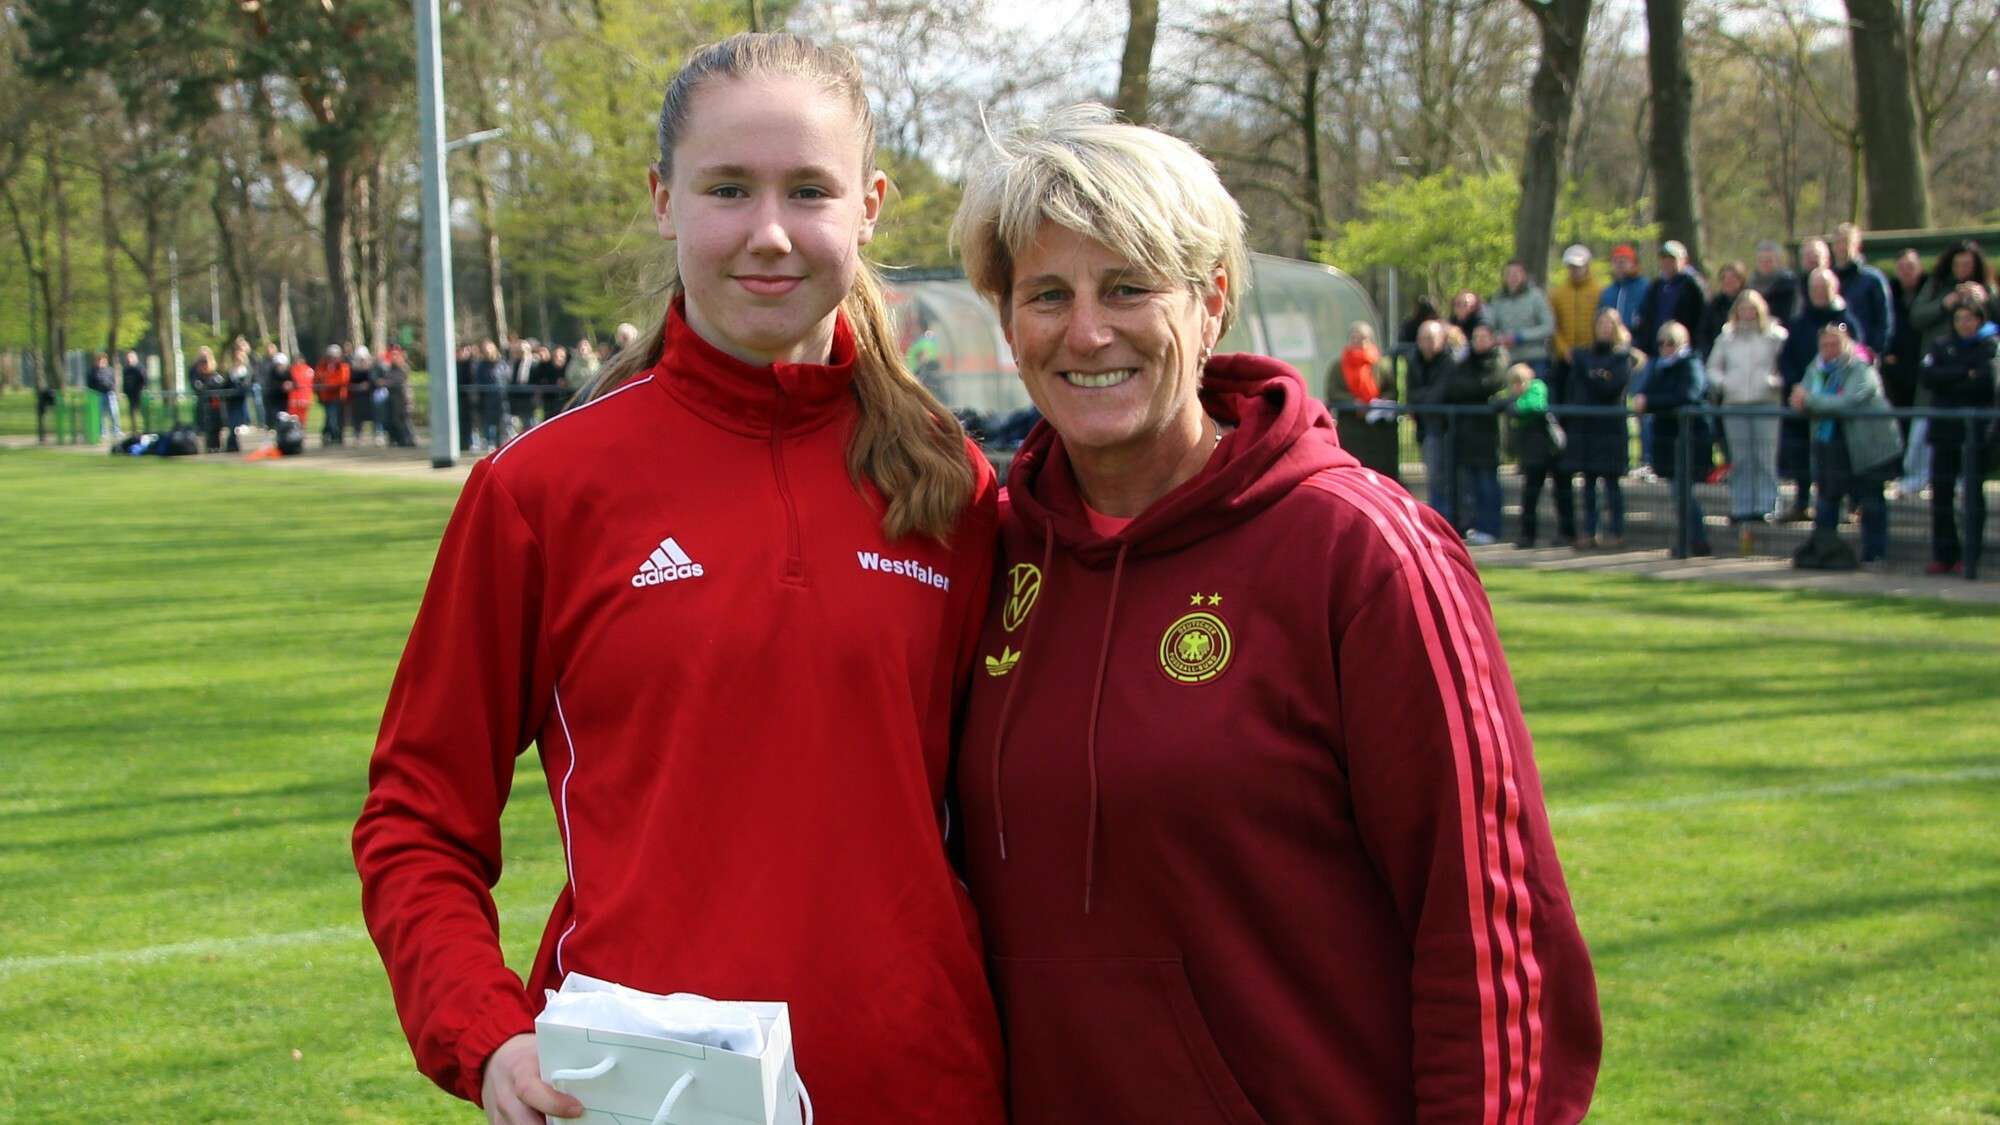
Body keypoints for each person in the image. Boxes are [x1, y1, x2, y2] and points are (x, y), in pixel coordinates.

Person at [352, 32, 1007, 1125]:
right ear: (664, 200)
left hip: (923, 1084)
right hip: (642, 1092)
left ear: (869, 206)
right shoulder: (542, 490)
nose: (769, 232)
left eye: (809, 190)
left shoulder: (951, 487)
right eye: (727, 188)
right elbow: (415, 816)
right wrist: (487, 1032)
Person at [948, 102, 1599, 1125]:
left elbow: (1489, 932)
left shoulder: (1360, 551)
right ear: (1007, 321)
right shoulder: (989, 553)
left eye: (1129, 287)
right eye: (1047, 294)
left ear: (1211, 301)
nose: (1087, 331)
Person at [1790, 323, 1900, 564]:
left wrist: (1810, 400)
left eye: (1835, 344)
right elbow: (1798, 398)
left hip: (1868, 448)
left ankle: (1875, 555)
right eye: (1825, 345)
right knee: (1826, 500)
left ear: (1846, 344)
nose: (1830, 349)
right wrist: (1806, 400)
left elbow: (1847, 402)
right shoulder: (1815, 368)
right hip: (1831, 447)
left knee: (1871, 501)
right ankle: (1823, 552)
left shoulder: (1861, 368)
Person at [1774, 269, 1863, 522]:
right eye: (1815, 288)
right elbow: (1787, 359)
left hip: (1836, 403)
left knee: (1842, 457)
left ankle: (1850, 505)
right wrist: (1799, 387)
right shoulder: (1800, 322)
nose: (1819, 293)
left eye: (1824, 287)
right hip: (1805, 400)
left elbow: (1857, 357)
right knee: (1801, 454)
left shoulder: (1847, 321)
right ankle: (1802, 502)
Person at [1919, 302, 1997, 574]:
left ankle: (1970, 556)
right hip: (1944, 430)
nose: (1963, 324)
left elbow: (1985, 382)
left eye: (1969, 319)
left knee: (1972, 495)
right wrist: (1965, 373)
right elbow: (1928, 377)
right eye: (1959, 319)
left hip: (1975, 433)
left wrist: (1949, 378)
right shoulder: (1940, 345)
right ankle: (1944, 555)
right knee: (1941, 493)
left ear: (1979, 321)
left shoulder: (1989, 346)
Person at [1707, 290, 1788, 523]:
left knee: (1765, 456)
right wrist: (1725, 383)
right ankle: (1742, 506)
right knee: (1740, 458)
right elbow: (1712, 368)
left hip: (1766, 402)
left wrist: (1774, 382)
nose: (1747, 313)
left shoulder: (1775, 336)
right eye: (1743, 308)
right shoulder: (1726, 338)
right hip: (1734, 404)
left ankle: (1767, 505)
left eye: (1752, 308)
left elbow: (1787, 365)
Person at [1635, 322, 1713, 557]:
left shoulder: (1691, 365)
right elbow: (1646, 393)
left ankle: (1696, 540)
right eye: (1662, 343)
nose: (1666, 348)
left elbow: (1688, 394)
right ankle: (1691, 540)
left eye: (1671, 343)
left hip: (1689, 438)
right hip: (1669, 440)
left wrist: (1651, 402)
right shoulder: (1659, 367)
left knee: (1683, 493)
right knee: (1678, 494)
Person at [1567, 307, 1637, 548]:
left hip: (1611, 427)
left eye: (1609, 324)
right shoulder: (1584, 355)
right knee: (1588, 483)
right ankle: (1589, 532)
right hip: (1587, 426)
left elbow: (1611, 387)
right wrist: (1597, 375)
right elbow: (1580, 384)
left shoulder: (1622, 357)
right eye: (1601, 324)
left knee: (1612, 483)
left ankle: (1617, 532)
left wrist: (1593, 376)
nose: (1605, 328)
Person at [1446, 318, 1509, 544]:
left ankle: (1490, 527)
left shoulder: (1497, 360)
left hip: (1487, 434)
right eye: (1476, 337)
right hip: (1466, 433)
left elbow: (1488, 384)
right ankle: (1473, 526)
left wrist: (1472, 390)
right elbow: (1453, 386)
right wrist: (1474, 391)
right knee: (1469, 485)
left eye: (1484, 337)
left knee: (1487, 484)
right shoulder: (1464, 362)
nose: (1479, 341)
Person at [1504, 362, 1574, 547]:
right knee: (1530, 496)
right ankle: (1528, 535)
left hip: (1551, 451)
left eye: (1520, 382)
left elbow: (1535, 405)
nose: (1517, 387)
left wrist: (1516, 406)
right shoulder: (1516, 397)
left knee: (1561, 493)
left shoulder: (1537, 388)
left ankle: (1567, 533)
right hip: (1533, 454)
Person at [1406, 318, 1460, 525]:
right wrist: (1422, 399)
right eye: (1422, 339)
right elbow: (1411, 394)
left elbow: (1440, 393)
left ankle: (1446, 520)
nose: (1426, 343)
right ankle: (1437, 519)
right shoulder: (1413, 360)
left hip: (1446, 426)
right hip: (1425, 426)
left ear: (1441, 339)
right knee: (1433, 475)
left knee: (1445, 477)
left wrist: (1422, 398)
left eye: (1430, 338)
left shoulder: (1449, 361)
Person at [1831, 222, 1893, 358]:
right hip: (1833, 356)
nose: (1842, 247)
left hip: (1864, 355)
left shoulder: (1873, 280)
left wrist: (1874, 350)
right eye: (1838, 242)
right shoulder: (1829, 280)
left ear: (1857, 245)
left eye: (1846, 242)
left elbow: (1884, 320)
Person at [1488, 258, 1555, 378]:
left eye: (1517, 273)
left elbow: (1548, 326)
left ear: (1524, 275)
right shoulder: (1497, 299)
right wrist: (1500, 338)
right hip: (1508, 358)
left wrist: (1521, 336)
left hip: (1535, 358)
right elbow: (1490, 327)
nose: (1513, 277)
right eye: (1509, 274)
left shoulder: (1536, 296)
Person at [1550, 243, 1603, 382]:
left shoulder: (1599, 291)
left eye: (1578, 266)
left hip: (1592, 354)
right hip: (1564, 357)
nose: (1574, 270)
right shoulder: (1557, 293)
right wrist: (1563, 350)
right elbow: (1553, 325)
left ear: (1587, 266)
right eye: (1570, 266)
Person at [1597, 243, 1648, 330]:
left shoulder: (1646, 288)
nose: (1619, 265)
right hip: (1613, 337)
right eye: (1615, 261)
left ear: (1633, 263)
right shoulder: (1607, 293)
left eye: (1623, 261)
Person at [1750, 239, 1800, 323]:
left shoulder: (1789, 284)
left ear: (1778, 261)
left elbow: (1795, 312)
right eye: (1761, 260)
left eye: (1769, 260)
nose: (1764, 264)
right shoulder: (1750, 285)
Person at [315, 345, 350, 445]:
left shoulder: (343, 367)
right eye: (330, 356)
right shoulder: (322, 366)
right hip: (326, 397)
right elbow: (317, 378)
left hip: (339, 396)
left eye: (335, 356)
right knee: (330, 417)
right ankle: (331, 435)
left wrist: (328, 384)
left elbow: (342, 380)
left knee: (337, 418)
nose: (333, 359)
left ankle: (336, 436)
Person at [86, 352, 121, 441]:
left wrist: (113, 390)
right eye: (99, 360)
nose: (101, 362)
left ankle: (116, 431)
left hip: (110, 394)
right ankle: (102, 432)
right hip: (99, 394)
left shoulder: (110, 370)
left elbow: (114, 381)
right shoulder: (93, 371)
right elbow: (90, 384)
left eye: (103, 360)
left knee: (114, 413)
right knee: (101, 414)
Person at [120, 350, 147, 431]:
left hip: (139, 393)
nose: (129, 359)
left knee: (142, 411)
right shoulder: (126, 369)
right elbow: (125, 381)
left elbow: (144, 380)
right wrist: (124, 391)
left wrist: (142, 389)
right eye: (128, 358)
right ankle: (134, 429)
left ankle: (144, 428)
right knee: (132, 412)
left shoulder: (140, 368)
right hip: (130, 394)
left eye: (131, 357)